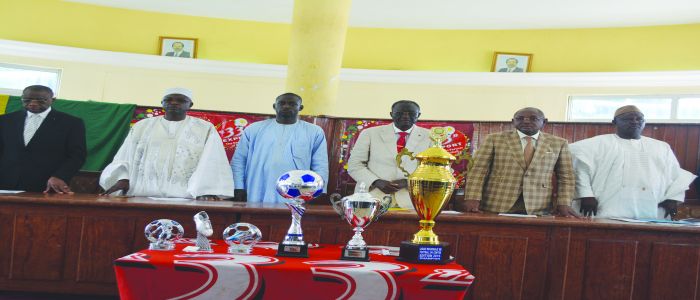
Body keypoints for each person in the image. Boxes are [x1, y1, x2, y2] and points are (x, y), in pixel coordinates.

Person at [100, 88, 233, 200]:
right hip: (142, 194)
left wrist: (207, 189)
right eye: (169, 100)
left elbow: (213, 160)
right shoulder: (142, 126)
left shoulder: (205, 128)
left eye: (181, 100)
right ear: (162, 103)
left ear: (190, 105)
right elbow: (125, 155)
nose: (174, 103)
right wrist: (123, 178)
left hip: (186, 197)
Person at [569, 105, 696, 219]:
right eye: (628, 119)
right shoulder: (595, 144)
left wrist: (673, 198)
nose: (635, 122)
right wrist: (586, 195)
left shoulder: (661, 147)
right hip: (606, 209)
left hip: (651, 210)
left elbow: (675, 175)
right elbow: (581, 170)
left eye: (639, 119)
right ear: (614, 122)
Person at [459, 107, 578, 217]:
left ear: (544, 122)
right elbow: (478, 170)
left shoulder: (558, 143)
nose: (526, 121)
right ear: (513, 121)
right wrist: (472, 198)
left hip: (538, 205)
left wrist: (564, 202)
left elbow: (566, 176)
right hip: (497, 202)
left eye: (533, 118)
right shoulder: (494, 139)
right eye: (520, 118)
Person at [231, 93, 328, 203]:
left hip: (296, 191)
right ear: (274, 106)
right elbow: (239, 160)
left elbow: (320, 164)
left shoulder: (314, 132)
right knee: (256, 218)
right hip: (257, 188)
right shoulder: (254, 129)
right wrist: (238, 187)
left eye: (292, 104)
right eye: (282, 103)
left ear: (300, 108)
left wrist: (319, 190)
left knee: (290, 218)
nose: (286, 106)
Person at [0, 85, 86, 193]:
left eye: (41, 100)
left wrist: (60, 176)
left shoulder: (71, 123)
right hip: (5, 185)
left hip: (46, 186)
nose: (33, 103)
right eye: (27, 100)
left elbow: (77, 155)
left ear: (53, 100)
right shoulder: (5, 120)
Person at [347, 100, 432, 209]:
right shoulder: (370, 133)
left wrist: (409, 182)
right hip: (373, 198)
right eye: (400, 113)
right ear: (391, 114)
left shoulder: (430, 137)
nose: (405, 116)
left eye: (411, 113)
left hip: (413, 202)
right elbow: (354, 165)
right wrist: (376, 182)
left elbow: (436, 170)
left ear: (418, 115)